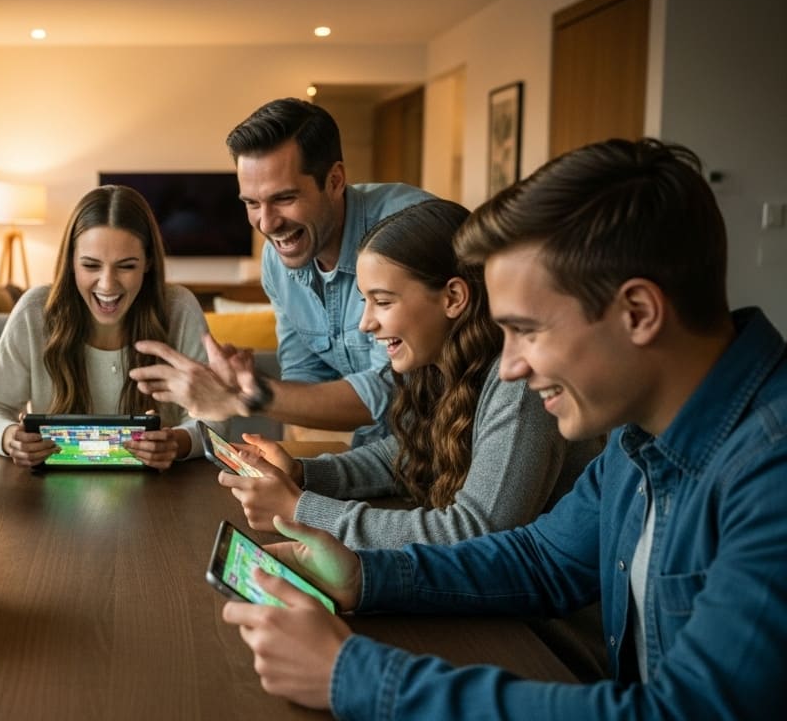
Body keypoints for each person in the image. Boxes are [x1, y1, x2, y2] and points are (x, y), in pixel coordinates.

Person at [219, 138, 787, 718]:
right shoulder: (637, 437)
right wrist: (364, 576)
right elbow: (542, 559)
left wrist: (357, 676)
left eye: (527, 330)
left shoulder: (771, 469)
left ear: (638, 313)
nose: (510, 365)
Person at [221, 199, 595, 547]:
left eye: (382, 302)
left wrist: (300, 511)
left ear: (452, 298)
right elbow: (403, 456)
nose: (366, 323)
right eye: (365, 301)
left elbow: (475, 530)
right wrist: (302, 475)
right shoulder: (442, 364)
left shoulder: (518, 383)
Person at [132, 98, 435, 447]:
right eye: (251, 203)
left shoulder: (403, 231)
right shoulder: (278, 262)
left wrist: (248, 396)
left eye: (284, 198)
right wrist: (244, 381)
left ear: (335, 180)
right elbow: (305, 377)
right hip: (384, 452)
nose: (266, 222)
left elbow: (395, 391)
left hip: (454, 456)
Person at [0, 185, 220, 469]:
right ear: (71, 261)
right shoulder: (35, 310)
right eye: (91, 265)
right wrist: (9, 437)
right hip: (52, 494)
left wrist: (177, 443)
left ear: (148, 262)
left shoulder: (179, 308)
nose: (107, 284)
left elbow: (216, 418)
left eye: (126, 266)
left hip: (162, 494)